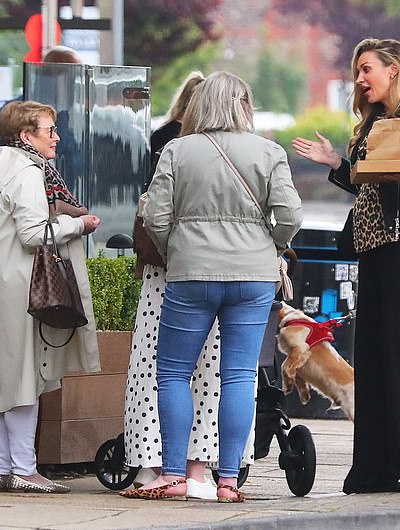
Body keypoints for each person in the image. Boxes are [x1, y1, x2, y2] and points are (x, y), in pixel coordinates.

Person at [121, 71, 303, 502]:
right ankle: (225, 481)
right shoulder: (269, 151)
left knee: (172, 373)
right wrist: (270, 245)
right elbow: (291, 215)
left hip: (191, 274)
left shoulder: (177, 150)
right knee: (238, 376)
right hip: (253, 276)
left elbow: (155, 217)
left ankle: (172, 474)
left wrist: (176, 250)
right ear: (243, 104)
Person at [291, 38, 400, 494]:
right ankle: (377, 468)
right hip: (371, 247)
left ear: (392, 69)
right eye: (357, 72)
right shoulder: (374, 122)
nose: (360, 79)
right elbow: (369, 184)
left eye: (366, 69)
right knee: (374, 358)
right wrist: (335, 163)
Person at [0, 100, 101, 493]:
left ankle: (3, 468)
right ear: (26, 135)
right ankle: (24, 469)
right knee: (26, 376)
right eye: (49, 130)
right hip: (28, 285)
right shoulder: (27, 173)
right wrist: (79, 225)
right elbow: (33, 235)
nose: (56, 137)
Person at [0, 46, 83, 169]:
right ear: (48, 77)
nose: (74, 85)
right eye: (70, 77)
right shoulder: (19, 111)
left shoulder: (67, 113)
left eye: (76, 78)